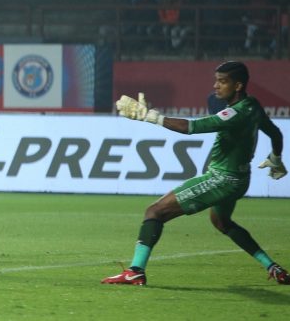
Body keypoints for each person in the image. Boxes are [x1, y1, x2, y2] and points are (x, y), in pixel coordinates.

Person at [102, 61, 289, 285]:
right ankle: (273, 267)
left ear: (238, 85)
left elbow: (191, 128)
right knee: (222, 222)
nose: (216, 86)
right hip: (240, 180)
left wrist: (149, 117)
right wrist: (276, 159)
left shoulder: (234, 114)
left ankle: (135, 271)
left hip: (222, 179)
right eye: (216, 80)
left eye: (222, 81)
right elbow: (276, 133)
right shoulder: (253, 106)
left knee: (154, 212)